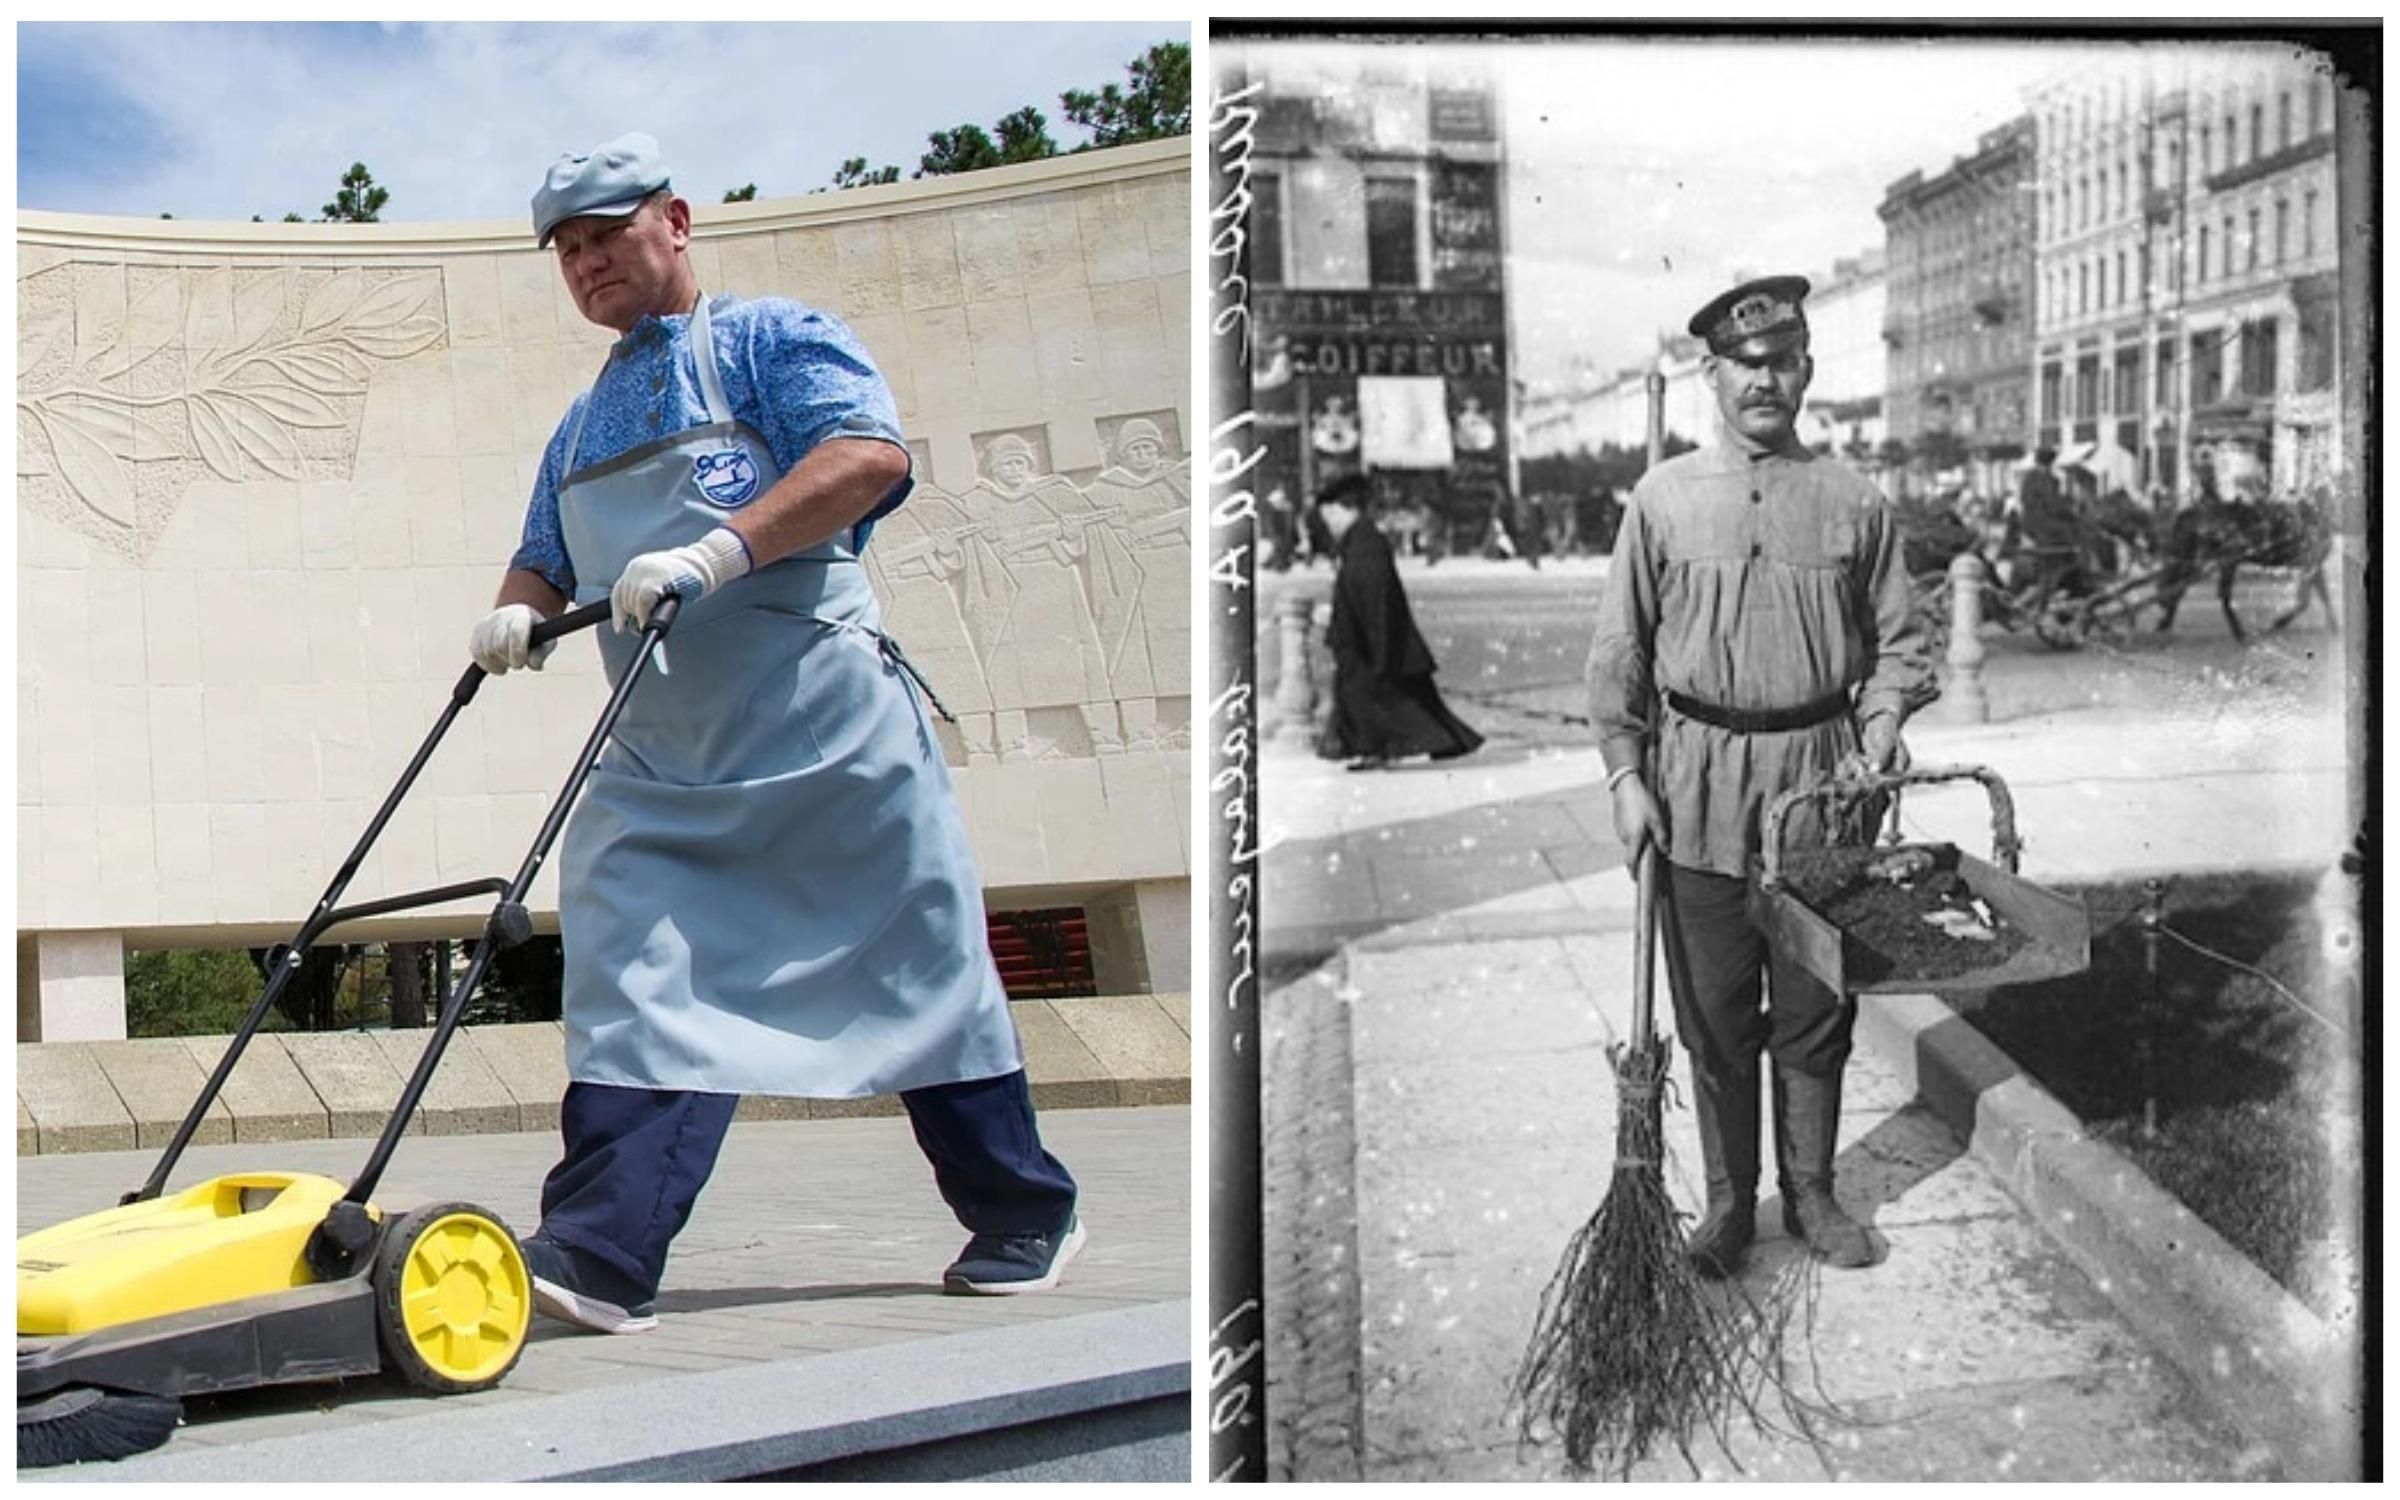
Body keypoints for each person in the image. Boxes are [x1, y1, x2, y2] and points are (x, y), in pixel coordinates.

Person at [466, 133, 1081, 1334]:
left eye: (609, 235)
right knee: (636, 975)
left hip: (825, 739)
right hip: (663, 759)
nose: (589, 263)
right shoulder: (580, 424)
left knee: (919, 975)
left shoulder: (770, 341)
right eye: (570, 250)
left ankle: (1021, 1211)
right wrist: (515, 617)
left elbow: (865, 457)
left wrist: (719, 546)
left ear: (677, 220)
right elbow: (546, 554)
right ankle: (600, 1251)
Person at [1586, 274, 1937, 1278]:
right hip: (1694, 784)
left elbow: (1904, 645)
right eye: (1747, 363)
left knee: (1818, 1009)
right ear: (1714, 375)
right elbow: (1621, 648)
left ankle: (1814, 1194)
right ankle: (1732, 1206)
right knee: (1715, 1015)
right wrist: (1625, 772)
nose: (1765, 379)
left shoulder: (1853, 502)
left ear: (1807, 371)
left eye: (1782, 360)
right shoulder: (1661, 500)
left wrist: (1878, 730)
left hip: (1822, 788)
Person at [1315, 473, 1483, 770]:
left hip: (1368, 641)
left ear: (1346, 509)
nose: (1328, 522)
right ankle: (1443, 742)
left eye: (1330, 514)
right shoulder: (1359, 540)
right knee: (1403, 701)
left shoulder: (1364, 542)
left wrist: (1379, 648)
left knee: (1382, 701)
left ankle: (1376, 750)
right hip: (1366, 640)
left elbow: (1374, 599)